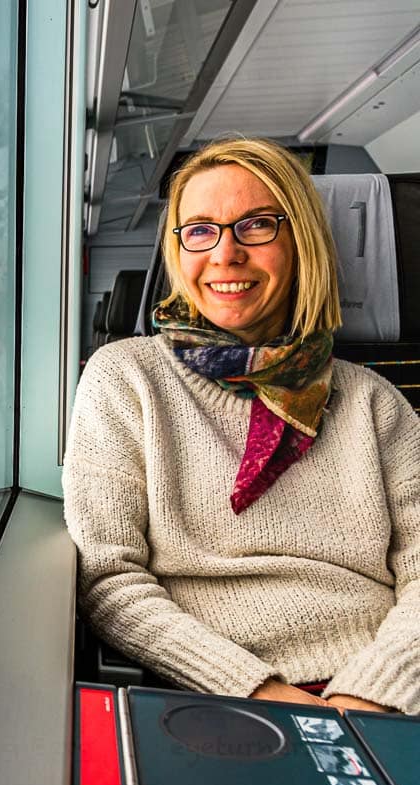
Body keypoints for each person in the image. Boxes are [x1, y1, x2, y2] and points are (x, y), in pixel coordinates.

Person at [63, 136, 420, 716]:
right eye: (200, 230)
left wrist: (371, 696)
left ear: (301, 242)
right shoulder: (127, 378)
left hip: (391, 692)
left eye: (256, 225)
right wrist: (261, 696)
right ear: (178, 252)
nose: (225, 254)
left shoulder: (373, 401)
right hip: (226, 699)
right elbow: (109, 580)